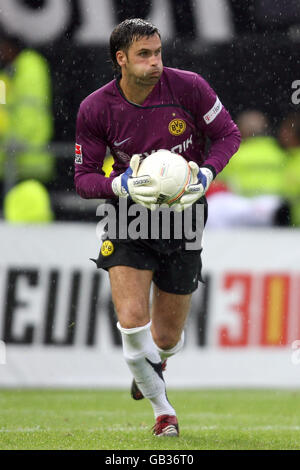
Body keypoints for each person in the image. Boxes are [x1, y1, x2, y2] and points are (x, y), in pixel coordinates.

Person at [75, 18, 241, 437]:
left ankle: (154, 361)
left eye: (158, 52)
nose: (155, 63)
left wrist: (205, 173)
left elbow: (228, 135)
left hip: (184, 215)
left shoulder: (189, 87)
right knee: (133, 322)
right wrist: (120, 184)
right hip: (128, 215)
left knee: (166, 337)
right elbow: (83, 178)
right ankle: (163, 411)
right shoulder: (96, 107)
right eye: (144, 55)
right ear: (121, 59)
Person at [278, 112, 300, 226]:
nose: (281, 134)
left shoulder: (293, 162)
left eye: (286, 131)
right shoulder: (288, 158)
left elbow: (286, 192)